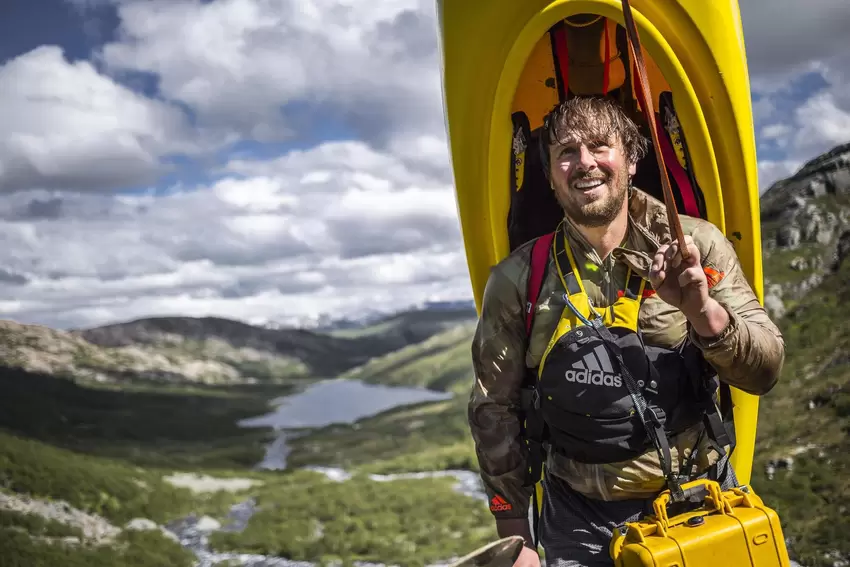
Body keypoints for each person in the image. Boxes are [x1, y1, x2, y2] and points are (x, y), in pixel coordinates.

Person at [467, 96, 785, 567]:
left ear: (632, 160)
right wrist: (516, 537)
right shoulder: (518, 279)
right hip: (575, 520)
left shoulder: (695, 246)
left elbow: (765, 372)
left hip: (696, 501)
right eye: (566, 153)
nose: (585, 163)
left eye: (600, 145)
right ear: (552, 176)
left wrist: (701, 311)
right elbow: (494, 409)